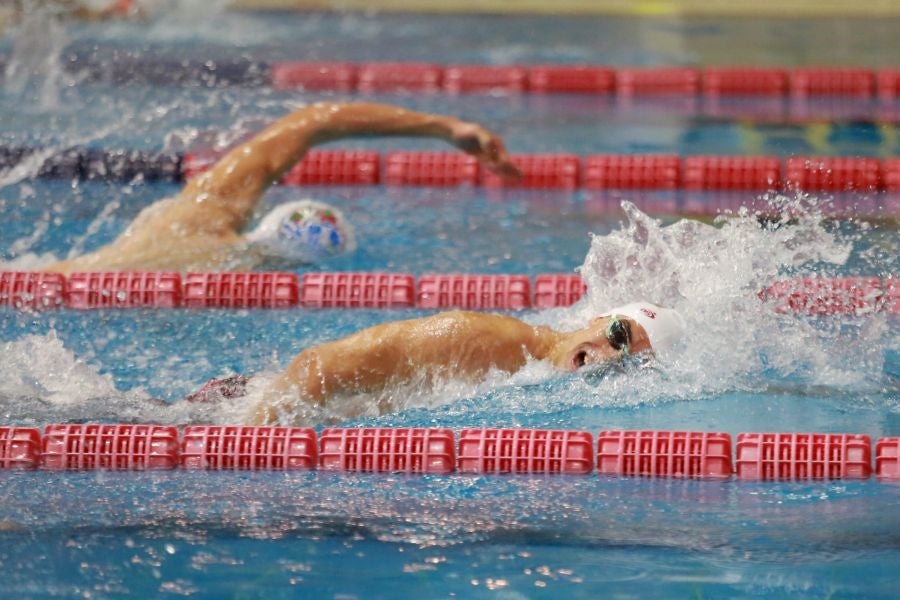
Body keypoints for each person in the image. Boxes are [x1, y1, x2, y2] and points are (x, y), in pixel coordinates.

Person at [43, 102, 520, 274]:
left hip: (42, 278)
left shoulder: (195, 219)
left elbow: (313, 121)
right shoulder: (227, 275)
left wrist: (446, 127)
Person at [229, 300, 686, 425]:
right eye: (618, 335)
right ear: (597, 318)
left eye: (628, 361)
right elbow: (317, 367)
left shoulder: (541, 379)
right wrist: (248, 442)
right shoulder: (485, 340)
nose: (610, 357)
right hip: (239, 413)